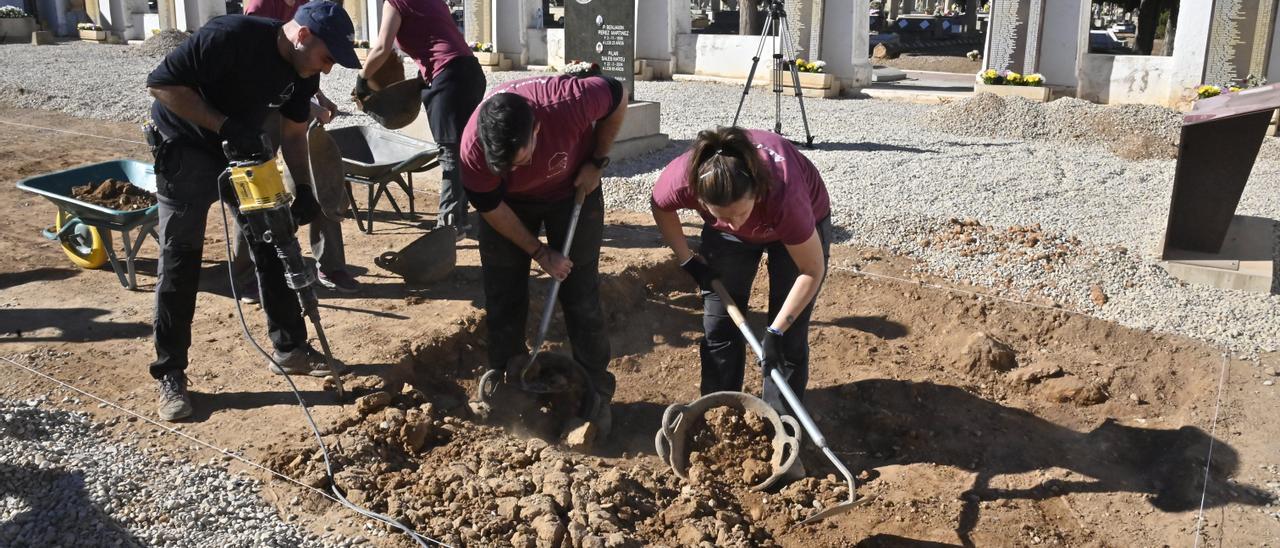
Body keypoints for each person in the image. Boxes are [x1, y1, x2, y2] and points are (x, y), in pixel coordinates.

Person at [143, 2, 360, 421]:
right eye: (327, 57)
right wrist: (224, 125)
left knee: (274, 243)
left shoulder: (304, 70)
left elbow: (295, 134)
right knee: (181, 257)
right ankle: (170, 372)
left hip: (245, 151)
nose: (328, 70)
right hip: (184, 144)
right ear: (301, 36)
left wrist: (302, 190)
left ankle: (290, 348)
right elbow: (162, 86)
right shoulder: (229, 36)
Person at [460, 74, 627, 431]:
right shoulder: (472, 150)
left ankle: (596, 388)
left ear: (537, 129)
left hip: (572, 191)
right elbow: (491, 208)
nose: (517, 170)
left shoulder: (569, 101)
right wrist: (539, 252)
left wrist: (597, 162)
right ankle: (507, 377)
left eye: (521, 161)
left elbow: (619, 95)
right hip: (507, 208)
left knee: (580, 290)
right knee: (503, 291)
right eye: (506, 167)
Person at [650, 126, 831, 410]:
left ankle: (780, 424)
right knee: (720, 326)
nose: (736, 224)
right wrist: (687, 259)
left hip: (795, 230)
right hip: (729, 242)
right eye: (720, 215)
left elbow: (811, 270)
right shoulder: (685, 181)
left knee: (787, 340)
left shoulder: (783, 193)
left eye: (740, 213)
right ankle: (719, 412)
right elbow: (660, 205)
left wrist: (776, 331)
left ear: (757, 193)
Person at [233, 0, 359, 297]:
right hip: (259, 110)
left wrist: (317, 96)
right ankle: (245, 272)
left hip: (293, 102)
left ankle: (330, 263)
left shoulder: (308, 7)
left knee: (317, 177)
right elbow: (265, 71)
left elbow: (304, 63)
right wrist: (310, 108)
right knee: (254, 188)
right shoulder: (260, 7)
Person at [354, 0, 486, 237]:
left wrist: (361, 79)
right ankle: (461, 217)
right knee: (463, 149)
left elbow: (382, 47)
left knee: (450, 152)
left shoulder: (395, 3)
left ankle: (450, 225)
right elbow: (439, 40)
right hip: (470, 72)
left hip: (448, 78)